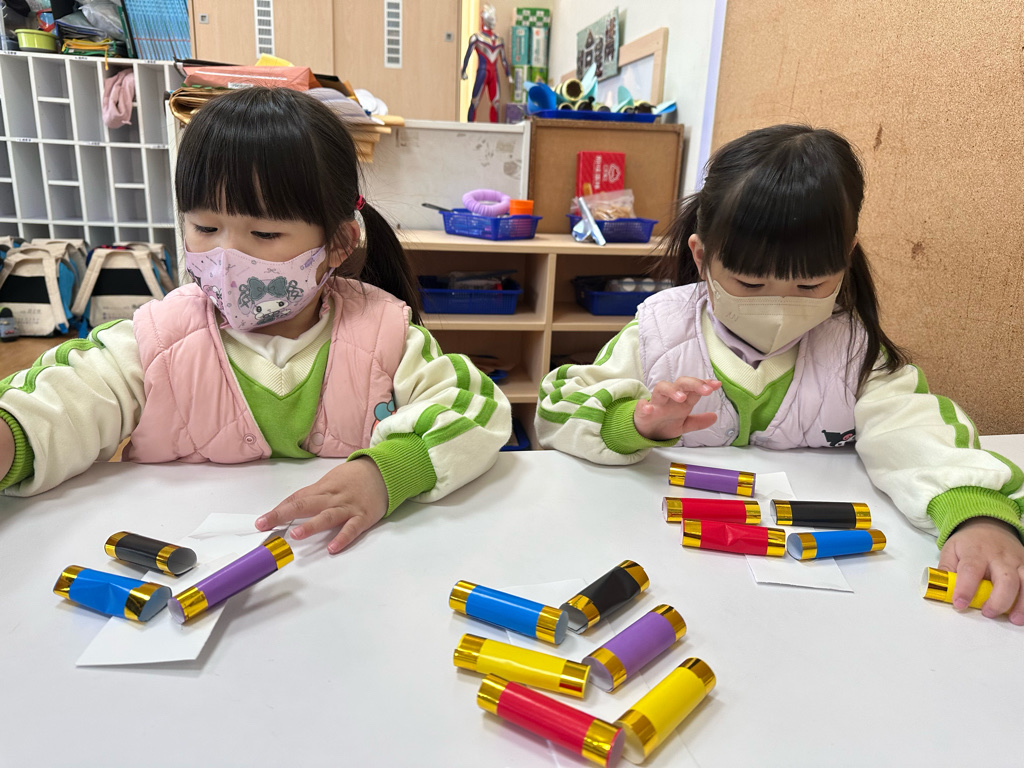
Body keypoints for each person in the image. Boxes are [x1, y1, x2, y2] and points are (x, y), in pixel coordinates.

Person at [536, 124, 1024, 624]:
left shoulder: (854, 351)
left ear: (846, 257)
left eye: (810, 286)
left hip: (817, 600)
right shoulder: (660, 333)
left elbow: (915, 429)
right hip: (670, 571)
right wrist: (633, 423)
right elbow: (561, 410)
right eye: (750, 284)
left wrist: (976, 513)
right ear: (702, 257)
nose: (778, 307)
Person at [0, 87, 511, 554]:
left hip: (341, 574)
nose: (226, 258)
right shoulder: (157, 338)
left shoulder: (385, 334)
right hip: (181, 573)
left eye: (264, 235)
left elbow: (477, 409)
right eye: (205, 227)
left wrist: (387, 473)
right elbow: (62, 400)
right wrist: (11, 435)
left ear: (337, 244)